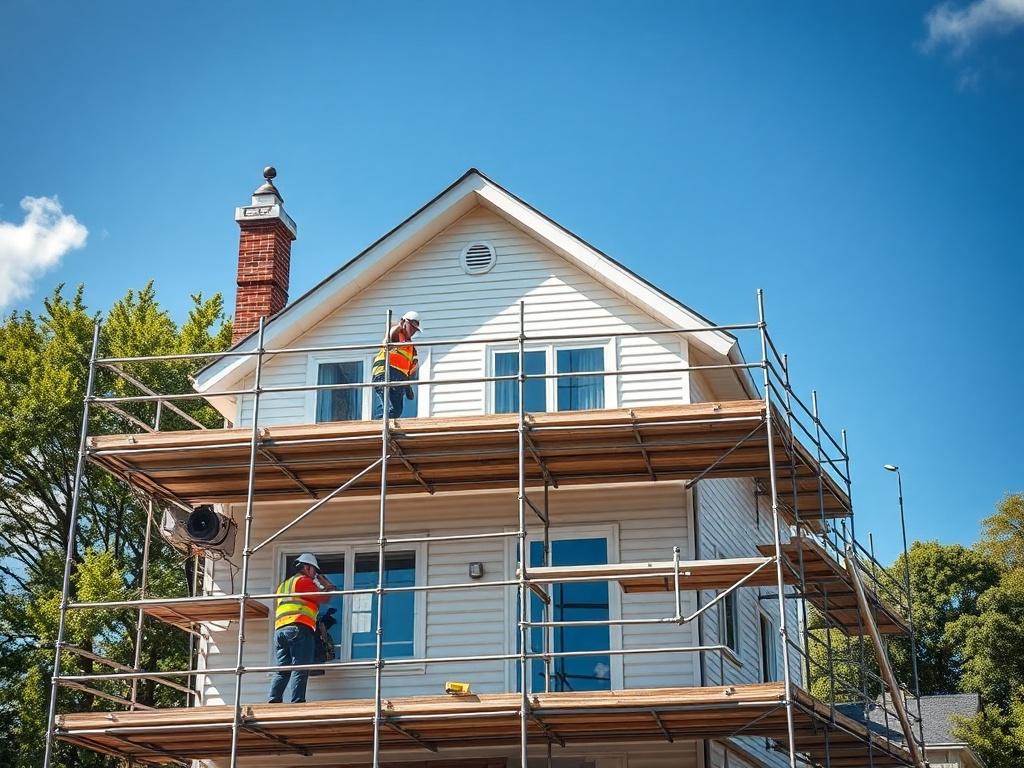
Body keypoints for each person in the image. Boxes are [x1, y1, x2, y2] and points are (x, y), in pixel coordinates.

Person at [268, 553, 336, 704]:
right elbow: (324, 598)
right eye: (314, 571)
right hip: (298, 627)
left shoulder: (283, 585)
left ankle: (274, 701)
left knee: (283, 669)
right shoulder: (303, 581)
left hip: (280, 630)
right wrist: (327, 585)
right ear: (307, 568)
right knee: (301, 666)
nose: (314, 576)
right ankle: (297, 702)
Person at [372, 310, 421, 419]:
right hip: (385, 372)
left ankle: (383, 426)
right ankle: (379, 428)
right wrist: (399, 325)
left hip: (399, 378)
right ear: (404, 323)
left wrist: (408, 387)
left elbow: (408, 370)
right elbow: (389, 337)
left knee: (396, 410)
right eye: (411, 327)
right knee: (391, 408)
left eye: (415, 329)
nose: (413, 331)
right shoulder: (397, 334)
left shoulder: (410, 347)